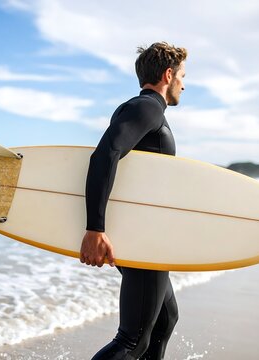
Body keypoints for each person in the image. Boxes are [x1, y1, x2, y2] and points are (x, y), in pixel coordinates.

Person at [80, 42, 188, 360]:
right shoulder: (147, 108)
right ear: (168, 74)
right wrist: (95, 229)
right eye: (182, 75)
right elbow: (105, 155)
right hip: (144, 242)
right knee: (133, 340)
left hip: (147, 236)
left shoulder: (143, 109)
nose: (184, 83)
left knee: (165, 320)